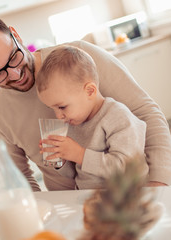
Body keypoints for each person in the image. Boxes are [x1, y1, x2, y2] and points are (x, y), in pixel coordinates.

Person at [0, 12, 171, 191]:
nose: (16, 75)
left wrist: (160, 184)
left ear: (16, 35)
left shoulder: (79, 58)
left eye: (13, 57)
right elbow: (20, 182)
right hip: (75, 207)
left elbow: (146, 113)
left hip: (134, 192)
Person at [36, 45, 148, 189]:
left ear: (90, 91)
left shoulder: (117, 117)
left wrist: (80, 154)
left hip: (124, 200)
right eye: (52, 109)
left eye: (62, 107)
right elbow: (76, 173)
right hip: (89, 199)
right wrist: (61, 158)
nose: (59, 116)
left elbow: (126, 168)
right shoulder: (74, 122)